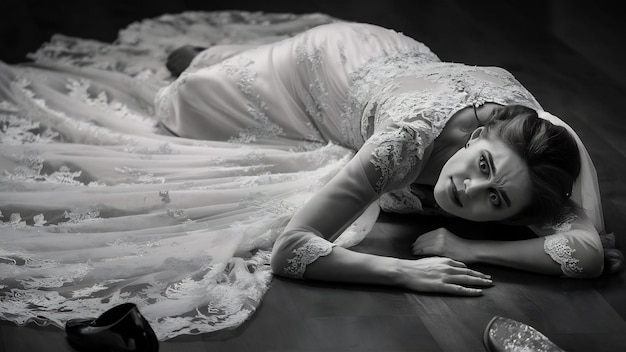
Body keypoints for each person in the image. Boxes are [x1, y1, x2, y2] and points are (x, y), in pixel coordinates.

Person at [0, 11, 621, 340]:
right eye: (482, 166)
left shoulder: (540, 149)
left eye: (495, 202)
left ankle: (216, 59)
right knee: (182, 102)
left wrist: (457, 242)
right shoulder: (403, 145)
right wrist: (406, 270)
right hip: (323, 68)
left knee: (214, 85)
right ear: (484, 130)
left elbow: (588, 254)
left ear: (519, 210)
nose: (468, 189)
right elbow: (293, 251)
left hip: (384, 68)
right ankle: (206, 61)